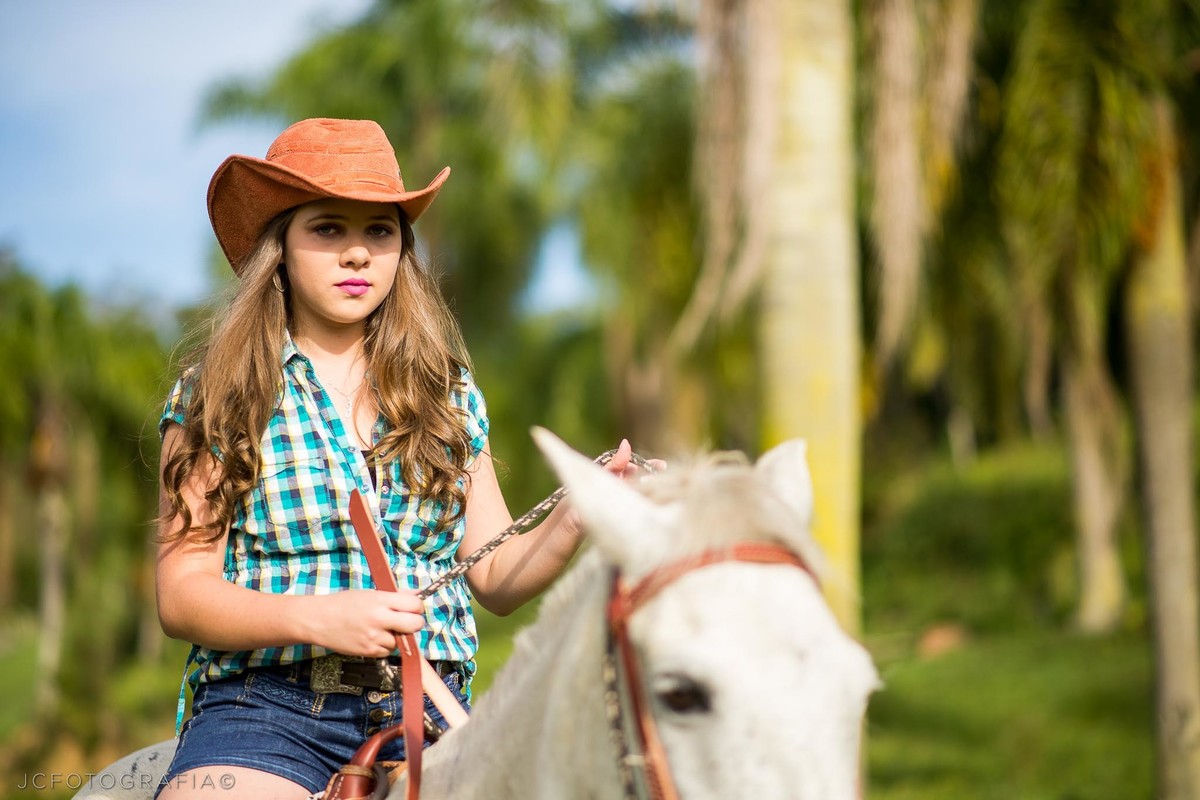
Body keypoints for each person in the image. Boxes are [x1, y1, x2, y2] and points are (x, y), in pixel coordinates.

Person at [154, 118, 641, 799]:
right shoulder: (220, 392)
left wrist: (579, 515)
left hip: (434, 711)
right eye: (328, 228)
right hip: (268, 711)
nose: (357, 253)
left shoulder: (447, 394)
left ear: (400, 249)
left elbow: (496, 574)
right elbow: (183, 594)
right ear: (281, 247)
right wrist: (320, 618)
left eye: (379, 231)